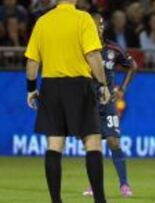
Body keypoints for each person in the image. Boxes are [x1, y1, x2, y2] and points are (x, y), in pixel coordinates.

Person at [25, 1, 111, 203]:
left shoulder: (43, 21)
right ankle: (100, 200)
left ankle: (56, 201)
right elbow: (92, 54)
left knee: (54, 145)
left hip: (51, 86)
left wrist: (31, 89)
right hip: (79, 84)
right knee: (92, 142)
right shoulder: (83, 19)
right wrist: (102, 84)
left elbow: (32, 61)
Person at [82, 12, 137, 198]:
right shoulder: (81, 48)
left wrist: (122, 89)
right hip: (89, 103)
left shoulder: (112, 48)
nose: (95, 28)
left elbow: (133, 65)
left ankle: (124, 184)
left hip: (107, 103)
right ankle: (93, 184)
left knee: (113, 142)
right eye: (91, 25)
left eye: (98, 25)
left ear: (102, 27)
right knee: (92, 145)